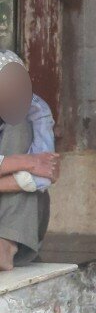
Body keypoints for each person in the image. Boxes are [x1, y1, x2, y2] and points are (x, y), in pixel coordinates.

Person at [0, 52, 59, 272]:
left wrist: (27, 169)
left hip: (19, 228)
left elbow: (42, 179)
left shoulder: (33, 113)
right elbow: (34, 173)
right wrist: (26, 163)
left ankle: (6, 244)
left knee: (19, 124)